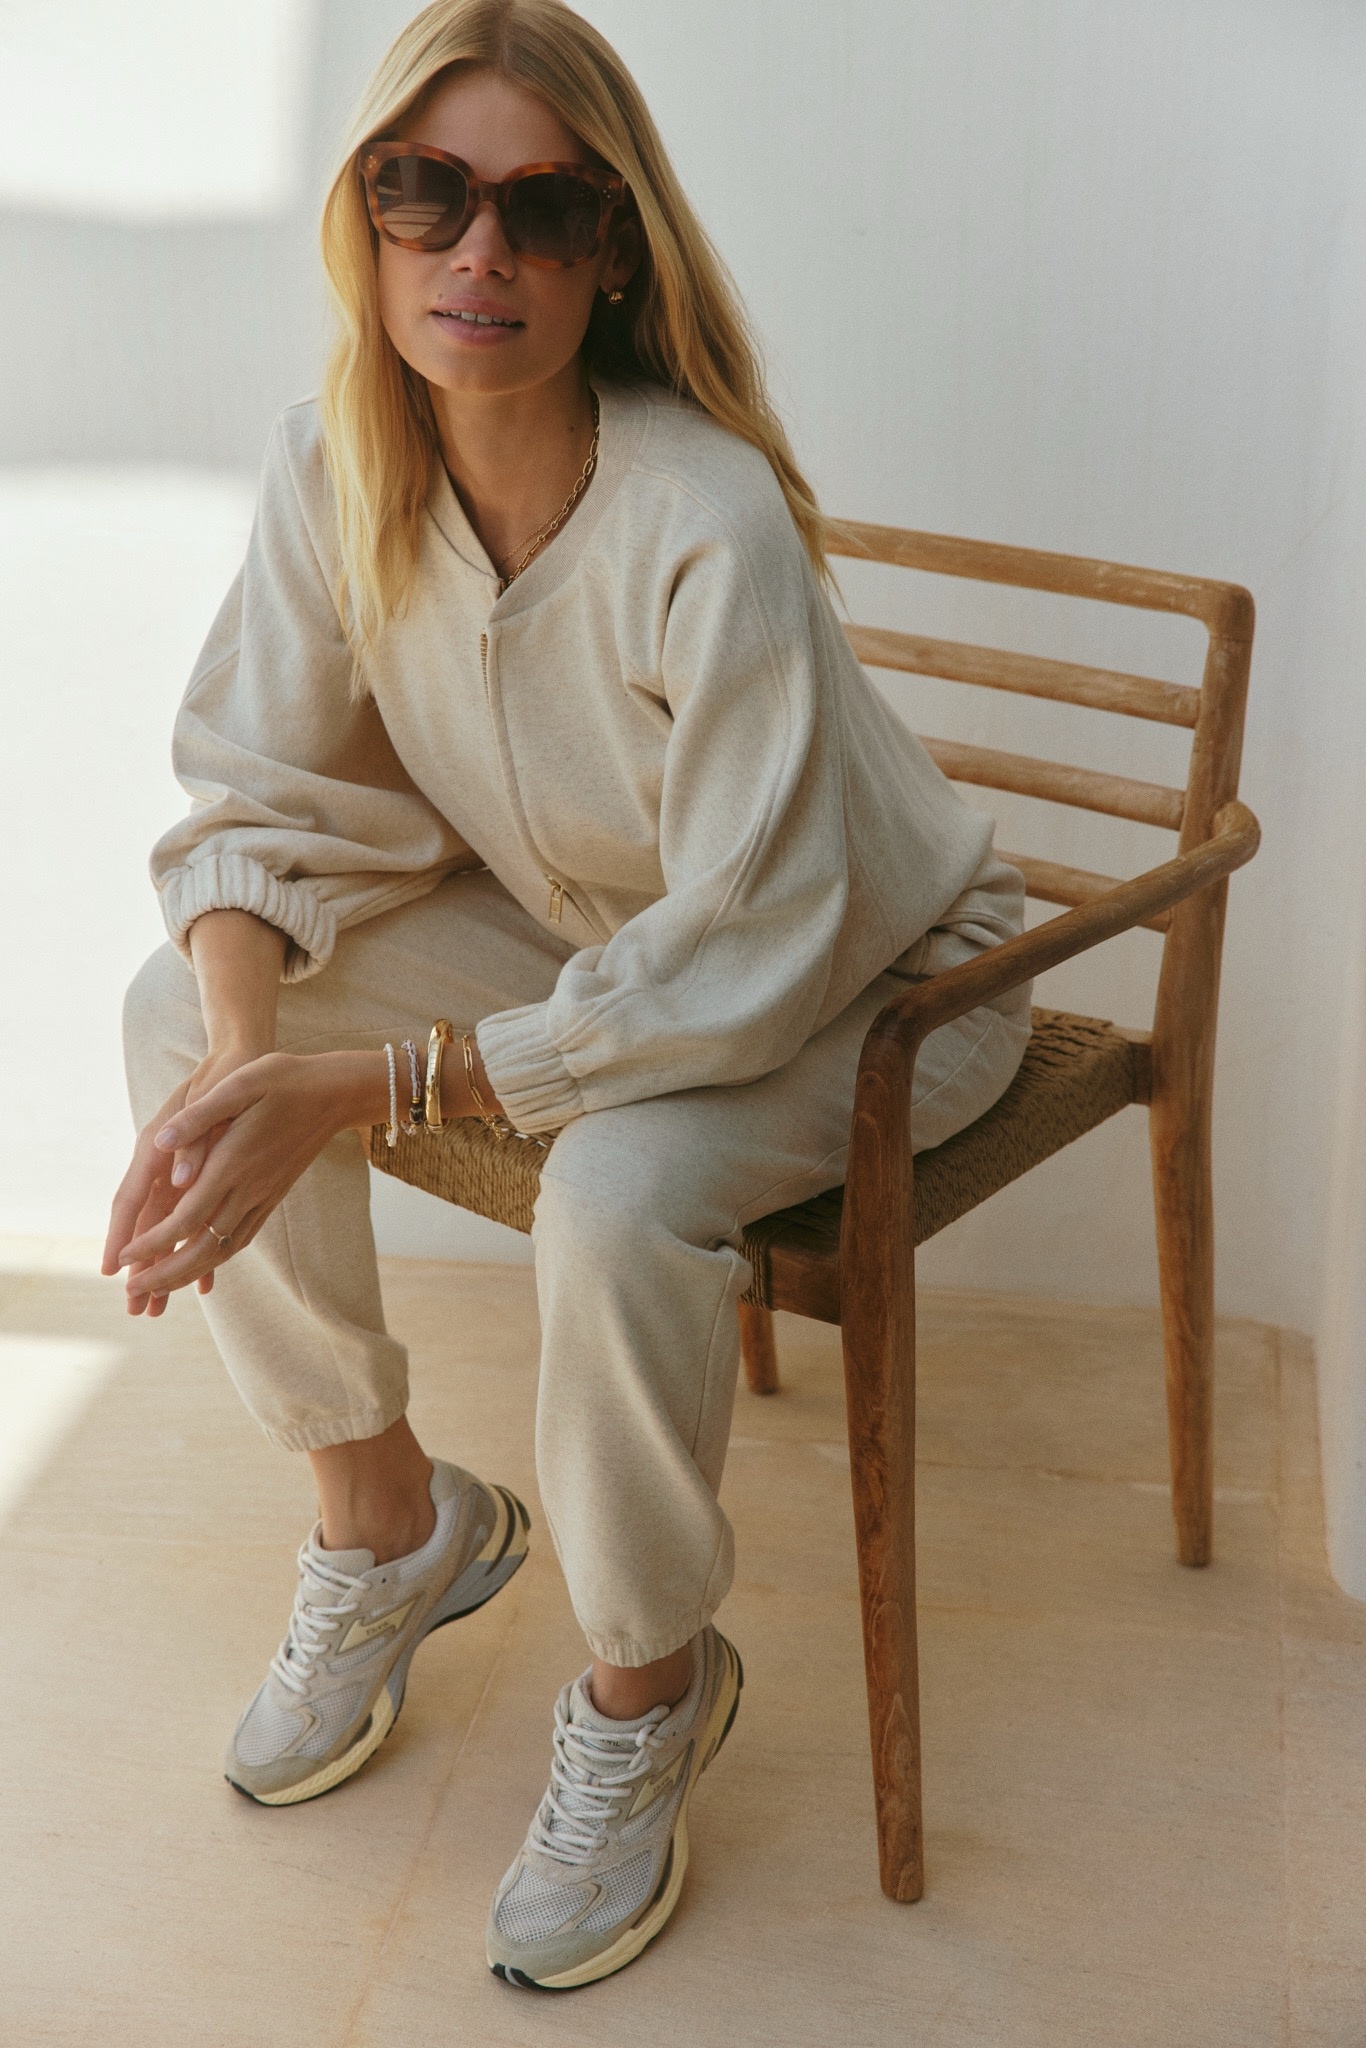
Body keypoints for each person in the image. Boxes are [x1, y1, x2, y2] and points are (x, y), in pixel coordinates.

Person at [104, 0, 1031, 1992]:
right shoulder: (333, 466)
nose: (479, 252)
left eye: (542, 207)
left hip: (879, 984)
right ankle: (391, 1526)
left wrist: (377, 1081)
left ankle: (645, 1686)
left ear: (615, 248)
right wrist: (255, 1065)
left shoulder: (707, 520)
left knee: (612, 1192)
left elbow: (748, 951)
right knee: (176, 1018)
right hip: (608, 941)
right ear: (360, 220)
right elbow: (255, 798)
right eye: (423, 192)